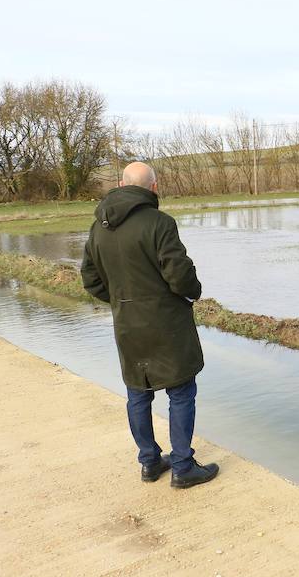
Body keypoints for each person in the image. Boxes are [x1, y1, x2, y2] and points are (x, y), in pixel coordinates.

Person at [81, 161, 219, 489]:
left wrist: (120, 301)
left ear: (120, 184)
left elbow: (90, 278)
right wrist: (192, 293)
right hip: (166, 323)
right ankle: (183, 466)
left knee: (138, 394)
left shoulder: (98, 227)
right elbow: (180, 275)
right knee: (182, 391)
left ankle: (149, 462)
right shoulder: (160, 223)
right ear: (154, 188)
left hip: (127, 325)